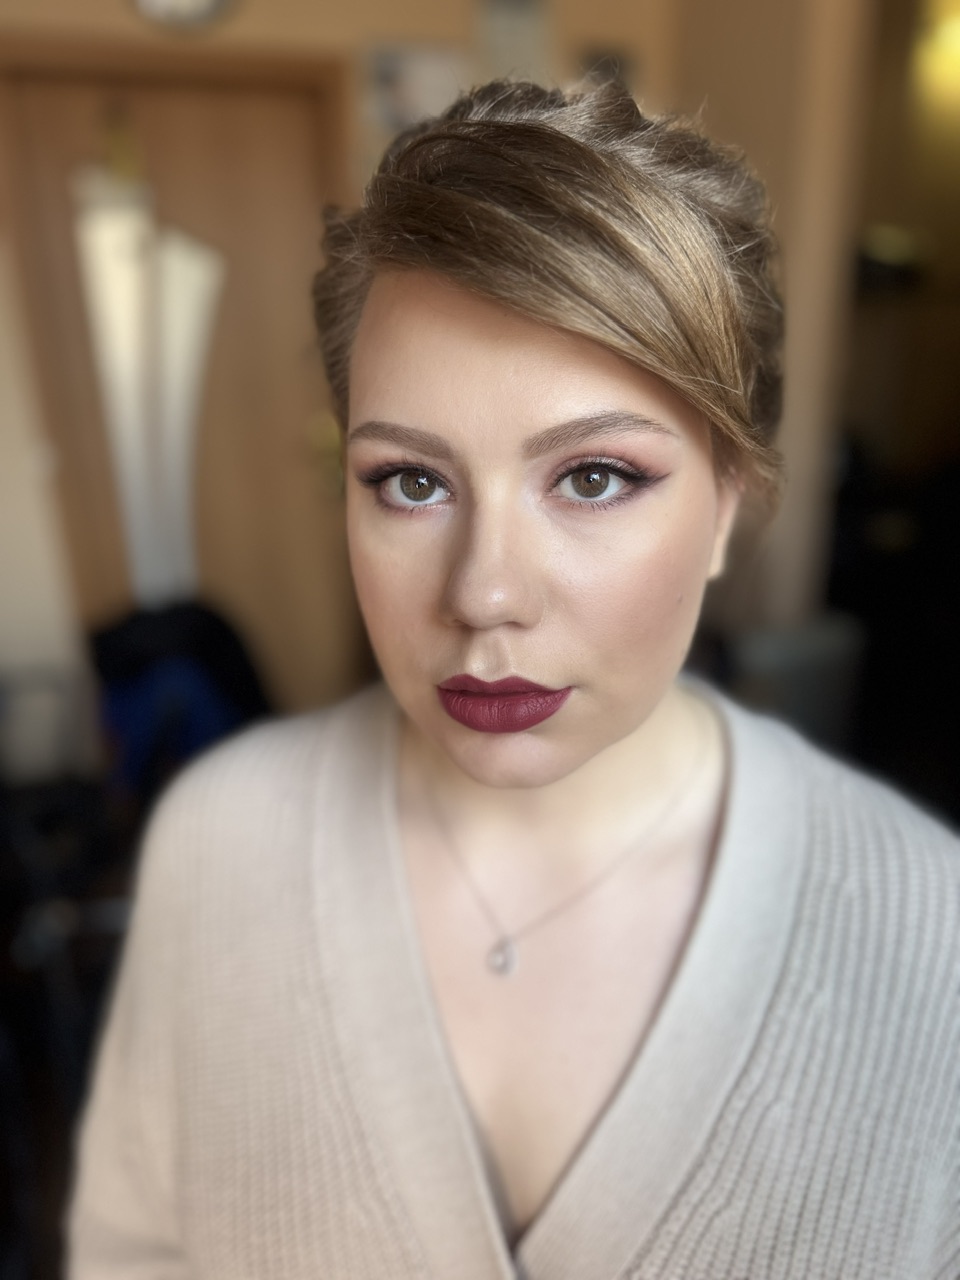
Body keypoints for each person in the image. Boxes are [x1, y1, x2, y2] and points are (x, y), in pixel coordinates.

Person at [68, 79, 960, 1280]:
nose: (484, 591)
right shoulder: (216, 844)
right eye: (411, 482)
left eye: (593, 476)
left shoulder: (929, 934)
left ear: (724, 508)